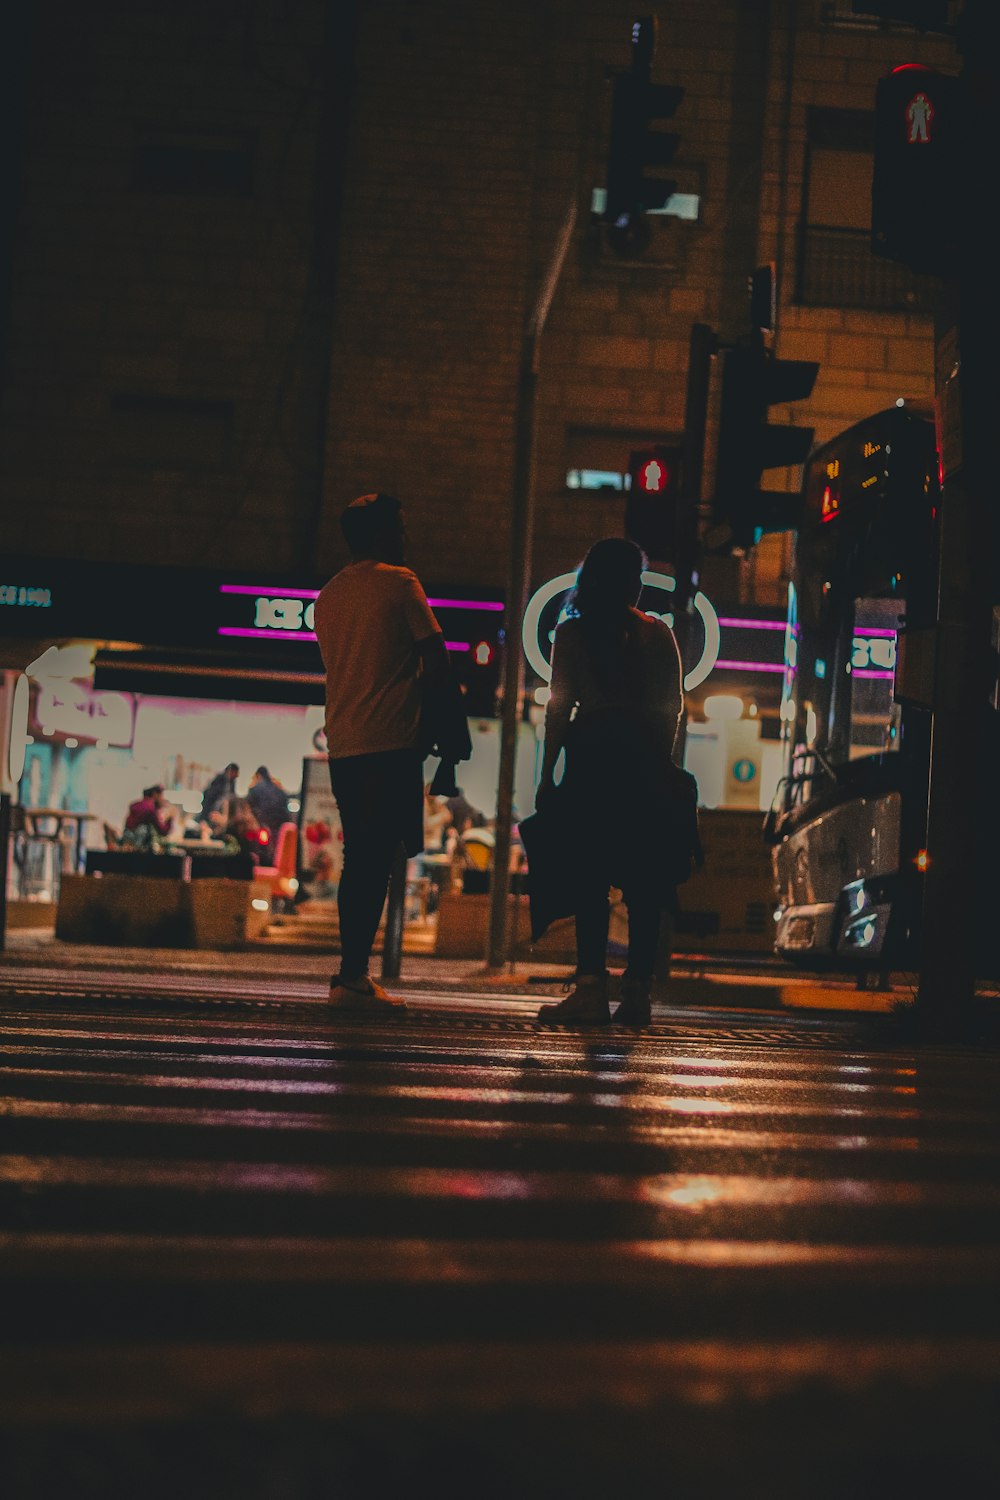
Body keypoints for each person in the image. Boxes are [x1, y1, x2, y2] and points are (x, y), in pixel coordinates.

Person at [534, 537, 685, 1028]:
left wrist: (547, 773)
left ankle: (591, 989)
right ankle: (637, 992)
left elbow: (559, 707)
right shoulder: (658, 634)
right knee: (643, 880)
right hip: (642, 758)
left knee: (590, 878)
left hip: (592, 755)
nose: (639, 589)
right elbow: (673, 707)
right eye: (636, 580)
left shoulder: (573, 636)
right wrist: (659, 760)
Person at [313, 491, 450, 1013]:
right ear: (380, 535)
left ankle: (352, 974)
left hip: (346, 742)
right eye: (399, 528)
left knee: (361, 859)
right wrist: (445, 730)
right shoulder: (400, 583)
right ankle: (352, 977)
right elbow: (435, 658)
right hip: (391, 741)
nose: (405, 538)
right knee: (376, 861)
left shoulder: (329, 596)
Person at [247, 766, 291, 847]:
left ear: (258, 776)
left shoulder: (254, 789)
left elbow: (250, 807)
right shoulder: (279, 790)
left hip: (262, 823)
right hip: (277, 824)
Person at [198, 762, 239, 827]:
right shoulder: (223, 781)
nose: (237, 775)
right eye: (236, 773)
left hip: (215, 811)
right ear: (231, 771)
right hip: (213, 810)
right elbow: (218, 797)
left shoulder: (230, 782)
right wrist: (215, 810)